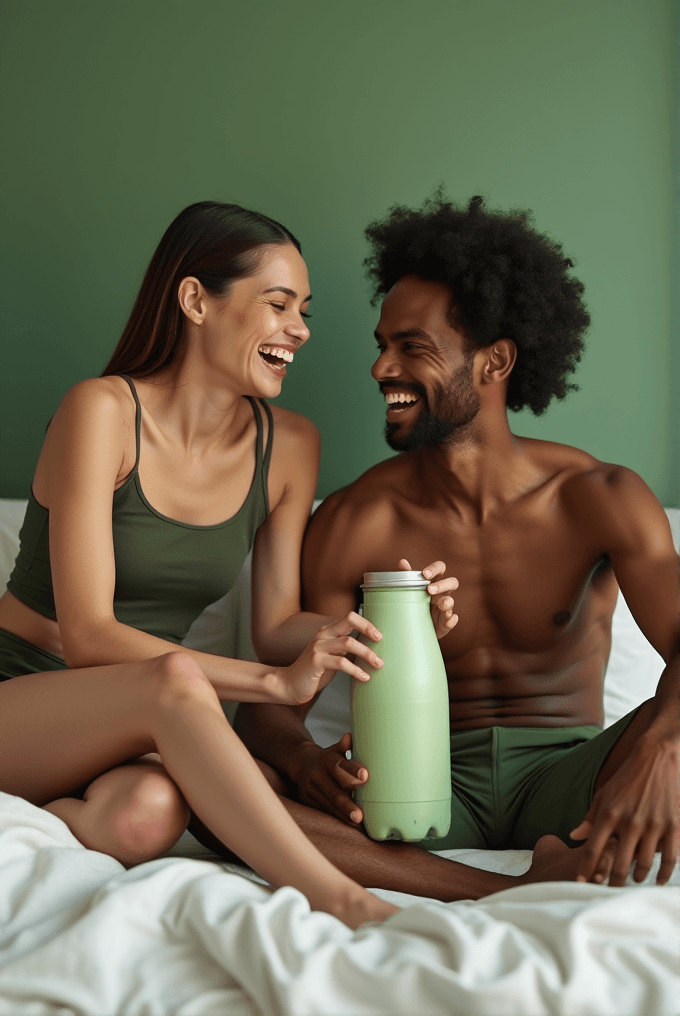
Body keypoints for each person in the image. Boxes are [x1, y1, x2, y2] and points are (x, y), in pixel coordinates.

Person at [0, 199, 462, 927]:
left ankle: (34, 815)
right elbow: (87, 635)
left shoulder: (290, 447)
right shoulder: (101, 412)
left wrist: (382, 624)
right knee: (177, 678)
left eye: (303, 310)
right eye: (278, 305)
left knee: (147, 817)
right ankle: (343, 901)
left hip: (129, 725)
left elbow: (277, 624)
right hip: (20, 690)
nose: (300, 330)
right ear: (194, 300)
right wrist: (273, 682)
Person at [235, 192, 680, 901]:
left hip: (575, 775)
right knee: (227, 786)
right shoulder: (356, 517)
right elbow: (267, 697)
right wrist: (303, 758)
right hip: (417, 785)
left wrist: (664, 750)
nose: (382, 369)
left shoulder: (600, 496)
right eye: (381, 345)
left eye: (411, 348)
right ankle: (478, 887)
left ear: (494, 362)